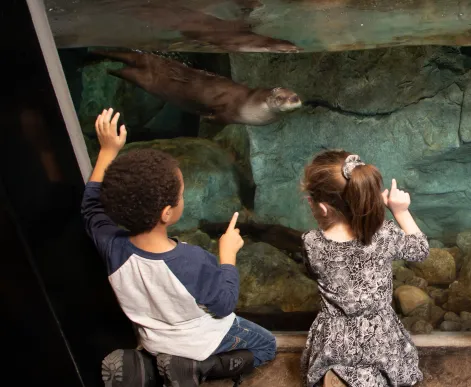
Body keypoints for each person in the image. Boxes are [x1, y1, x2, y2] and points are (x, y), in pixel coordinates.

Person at [82, 108, 276, 387]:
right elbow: (223, 304)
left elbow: (90, 207)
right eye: (181, 195)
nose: (182, 198)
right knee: (265, 346)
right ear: (166, 213)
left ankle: (147, 367)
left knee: (163, 353)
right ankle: (198, 368)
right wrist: (227, 255)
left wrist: (107, 151)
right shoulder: (190, 260)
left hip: (154, 340)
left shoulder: (112, 247)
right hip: (201, 339)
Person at [299, 150, 430, 387]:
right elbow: (420, 249)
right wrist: (400, 211)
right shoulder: (385, 234)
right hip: (381, 340)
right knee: (392, 368)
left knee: (335, 365)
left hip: (335, 343)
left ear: (324, 208)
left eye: (310, 200)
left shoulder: (311, 242)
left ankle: (342, 374)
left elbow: (313, 271)